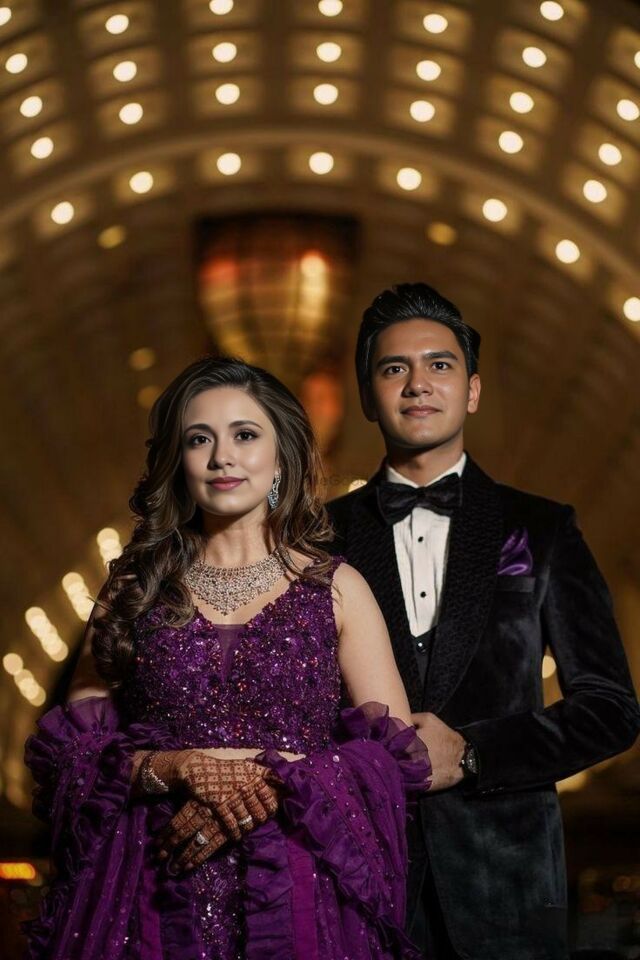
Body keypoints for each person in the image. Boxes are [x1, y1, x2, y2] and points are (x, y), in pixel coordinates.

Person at [21, 357, 432, 960]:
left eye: (245, 434)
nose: (222, 457)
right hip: (150, 892)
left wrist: (272, 784)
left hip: (300, 895)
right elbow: (70, 758)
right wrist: (176, 766)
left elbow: (390, 762)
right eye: (199, 439)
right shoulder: (133, 589)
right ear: (178, 462)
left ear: (281, 456)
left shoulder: (338, 589)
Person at [326, 283, 640, 960]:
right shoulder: (317, 538)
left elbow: (611, 709)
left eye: (439, 365)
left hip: (509, 892)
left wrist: (473, 753)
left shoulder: (544, 528)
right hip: (357, 882)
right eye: (393, 368)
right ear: (368, 397)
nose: (418, 384)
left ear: (471, 390)